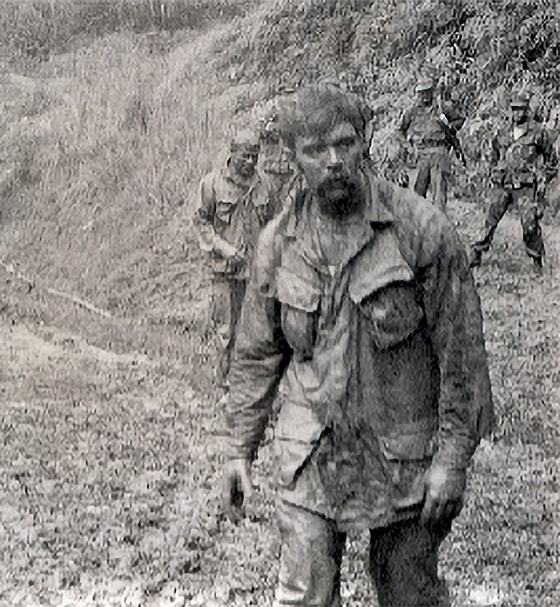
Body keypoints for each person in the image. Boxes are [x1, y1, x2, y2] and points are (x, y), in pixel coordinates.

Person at [221, 82, 495, 607]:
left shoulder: (420, 231)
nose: (333, 162)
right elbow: (256, 354)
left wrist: (453, 459)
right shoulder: (278, 243)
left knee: (409, 594)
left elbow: (462, 356)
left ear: (365, 141)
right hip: (311, 457)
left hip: (403, 461)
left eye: (345, 144)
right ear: (293, 157)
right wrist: (239, 448)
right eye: (315, 150)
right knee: (304, 597)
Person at [194, 129, 279, 390]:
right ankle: (224, 384)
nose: (251, 162)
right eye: (246, 157)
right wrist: (222, 247)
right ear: (232, 154)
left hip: (255, 274)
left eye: (255, 156)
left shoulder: (265, 185)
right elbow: (201, 222)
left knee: (255, 332)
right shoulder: (212, 184)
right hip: (224, 272)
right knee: (226, 332)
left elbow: (275, 225)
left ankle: (248, 385)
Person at [469, 92, 557, 271]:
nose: (517, 113)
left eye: (520, 109)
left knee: (529, 224)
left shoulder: (538, 132)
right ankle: (476, 253)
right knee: (490, 218)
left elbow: (552, 158)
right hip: (503, 183)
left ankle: (536, 260)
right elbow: (492, 152)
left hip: (525, 186)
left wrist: (543, 179)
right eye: (514, 109)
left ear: (527, 110)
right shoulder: (503, 131)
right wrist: (492, 171)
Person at [399, 78, 464, 212]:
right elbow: (399, 131)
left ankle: (438, 225)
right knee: (417, 192)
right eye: (421, 93)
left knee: (439, 193)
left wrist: (450, 127)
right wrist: (409, 148)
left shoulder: (442, 109)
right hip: (421, 153)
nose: (424, 96)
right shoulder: (411, 112)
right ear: (417, 94)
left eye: (427, 92)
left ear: (432, 92)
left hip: (439, 152)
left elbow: (460, 120)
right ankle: (417, 225)